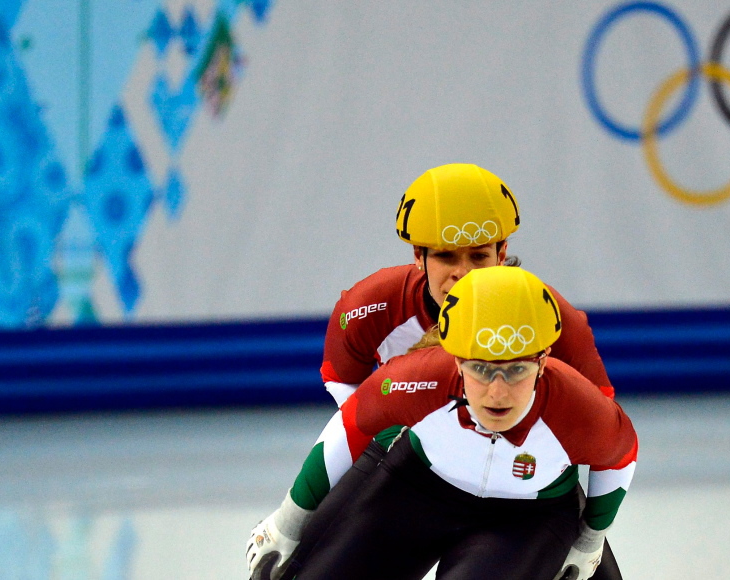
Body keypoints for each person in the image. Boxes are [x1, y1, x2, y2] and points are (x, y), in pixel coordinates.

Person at [247, 163, 623, 579]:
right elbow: (351, 397)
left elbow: (596, 421)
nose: (462, 273)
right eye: (445, 256)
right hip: (413, 451)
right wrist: (399, 421)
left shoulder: (551, 317)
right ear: (418, 255)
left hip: (528, 484)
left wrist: (589, 538)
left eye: (479, 255)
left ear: (501, 254)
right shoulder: (369, 308)